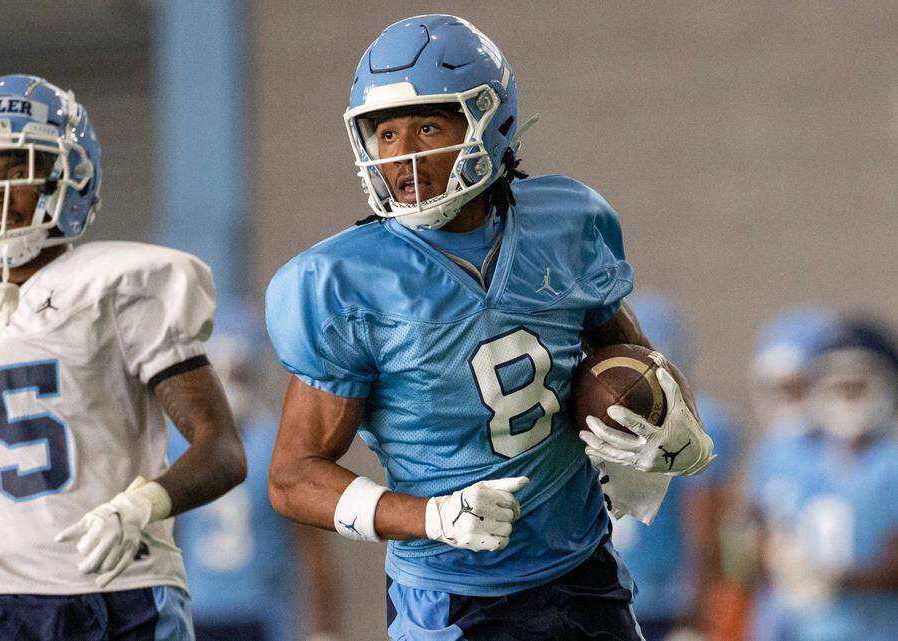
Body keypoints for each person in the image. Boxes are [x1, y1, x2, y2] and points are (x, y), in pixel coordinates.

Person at [265, 15, 714, 640]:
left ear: (489, 121)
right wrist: (431, 516)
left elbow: (629, 361)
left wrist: (668, 428)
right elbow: (293, 477)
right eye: (385, 132)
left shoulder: (565, 221)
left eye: (426, 126)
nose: (403, 155)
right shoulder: (341, 280)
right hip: (450, 594)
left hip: (582, 570)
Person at [0, 74, 247, 641]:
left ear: (66, 178)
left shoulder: (119, 286)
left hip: (122, 595)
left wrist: (143, 506)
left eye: (15, 169)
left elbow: (220, 449)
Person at [167, 303, 340, 641]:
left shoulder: (280, 441)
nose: (231, 386)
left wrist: (325, 628)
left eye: (240, 373)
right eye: (221, 373)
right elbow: (166, 535)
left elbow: (311, 542)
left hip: (262, 612)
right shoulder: (177, 443)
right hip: (197, 610)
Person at [609, 295, 739, 641]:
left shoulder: (585, 418)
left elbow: (705, 527)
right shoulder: (708, 420)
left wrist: (700, 608)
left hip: (646, 598)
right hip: (642, 596)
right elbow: (708, 532)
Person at [772, 319, 898, 641]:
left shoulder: (890, 464)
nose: (846, 398)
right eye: (837, 386)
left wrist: (833, 580)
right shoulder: (799, 463)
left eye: (857, 386)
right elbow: (768, 544)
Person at [744, 308, 837, 641]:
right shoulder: (772, 451)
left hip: (838, 611)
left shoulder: (850, 452)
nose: (787, 400)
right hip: (777, 611)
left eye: (797, 387)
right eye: (778, 388)